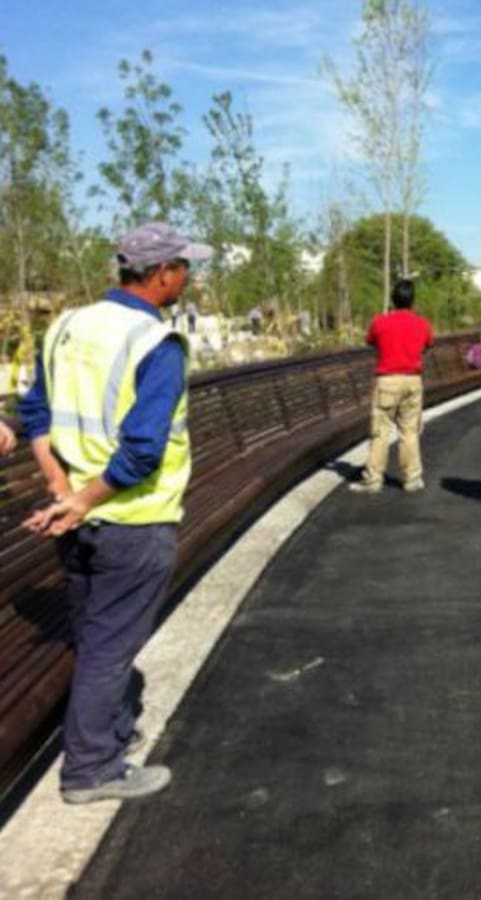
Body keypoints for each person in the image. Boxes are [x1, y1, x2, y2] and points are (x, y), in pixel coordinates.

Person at [19, 221, 212, 803]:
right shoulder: (157, 344)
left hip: (77, 518)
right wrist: (82, 499)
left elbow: (36, 414)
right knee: (110, 644)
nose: (188, 276)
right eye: (184, 267)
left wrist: (62, 488)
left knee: (94, 632)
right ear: (162, 274)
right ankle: (92, 769)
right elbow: (144, 449)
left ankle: (112, 731)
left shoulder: (66, 326)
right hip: (133, 519)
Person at [351, 278, 434, 494]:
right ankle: (412, 478)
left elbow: (370, 341)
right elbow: (428, 344)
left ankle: (373, 479)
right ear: (413, 300)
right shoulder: (421, 323)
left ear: (392, 300)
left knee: (380, 431)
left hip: (387, 380)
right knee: (410, 431)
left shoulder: (381, 322)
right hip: (413, 380)